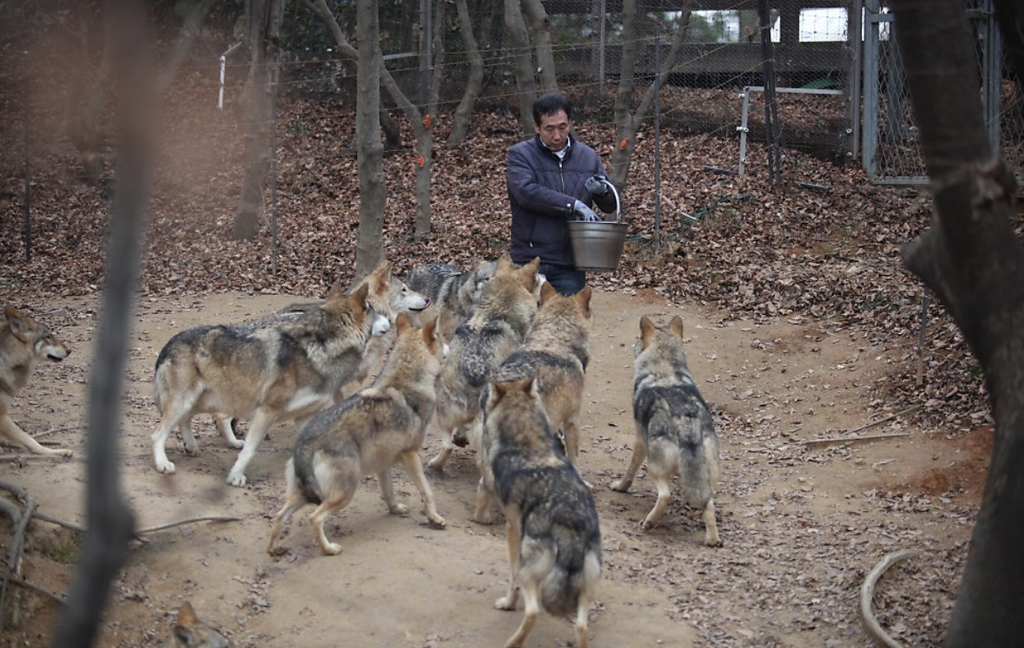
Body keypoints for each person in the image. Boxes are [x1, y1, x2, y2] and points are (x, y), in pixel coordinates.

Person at [507, 93, 618, 296]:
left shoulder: (587, 157)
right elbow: (526, 193)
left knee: (569, 324)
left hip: (570, 261)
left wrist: (603, 192)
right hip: (531, 260)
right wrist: (574, 205)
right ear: (537, 127)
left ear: (570, 123)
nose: (557, 136)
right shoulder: (521, 155)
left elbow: (610, 205)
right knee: (529, 324)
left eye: (562, 127)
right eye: (549, 129)